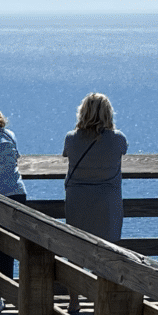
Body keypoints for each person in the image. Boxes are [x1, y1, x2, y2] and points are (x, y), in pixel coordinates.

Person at [63, 92, 128, 241]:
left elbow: (66, 154)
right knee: (108, 252)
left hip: (77, 200)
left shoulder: (71, 138)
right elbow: (123, 149)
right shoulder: (118, 139)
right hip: (107, 202)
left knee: (77, 249)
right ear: (108, 113)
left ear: (83, 112)